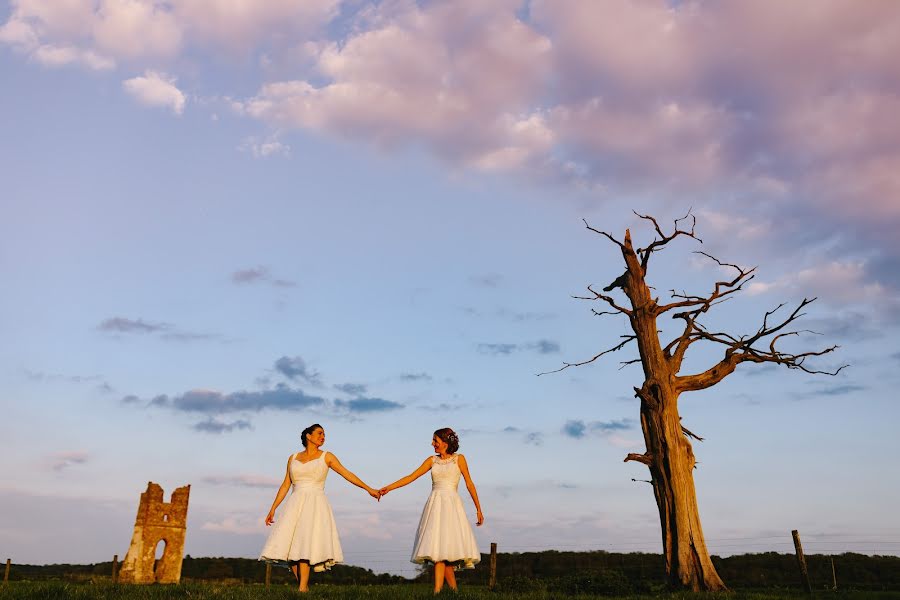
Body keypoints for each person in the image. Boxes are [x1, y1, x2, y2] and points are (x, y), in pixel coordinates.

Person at [259, 423, 380, 592]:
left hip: (314, 503)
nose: (323, 437)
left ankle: (301, 589)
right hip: (295, 504)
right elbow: (286, 484)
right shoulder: (293, 458)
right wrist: (273, 508)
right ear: (308, 436)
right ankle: (305, 587)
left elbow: (347, 474)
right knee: (290, 553)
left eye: (324, 434)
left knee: (304, 544)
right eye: (320, 433)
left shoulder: (327, 456)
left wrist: (369, 489)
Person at [380, 427, 484, 594]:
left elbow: (469, 484)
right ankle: (450, 593)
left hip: (452, 507)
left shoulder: (460, 459)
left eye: (435, 440)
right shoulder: (431, 460)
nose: (432, 443)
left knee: (446, 554)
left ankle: (438, 592)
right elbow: (411, 477)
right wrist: (389, 488)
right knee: (439, 552)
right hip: (435, 506)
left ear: (445, 442)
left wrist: (478, 509)